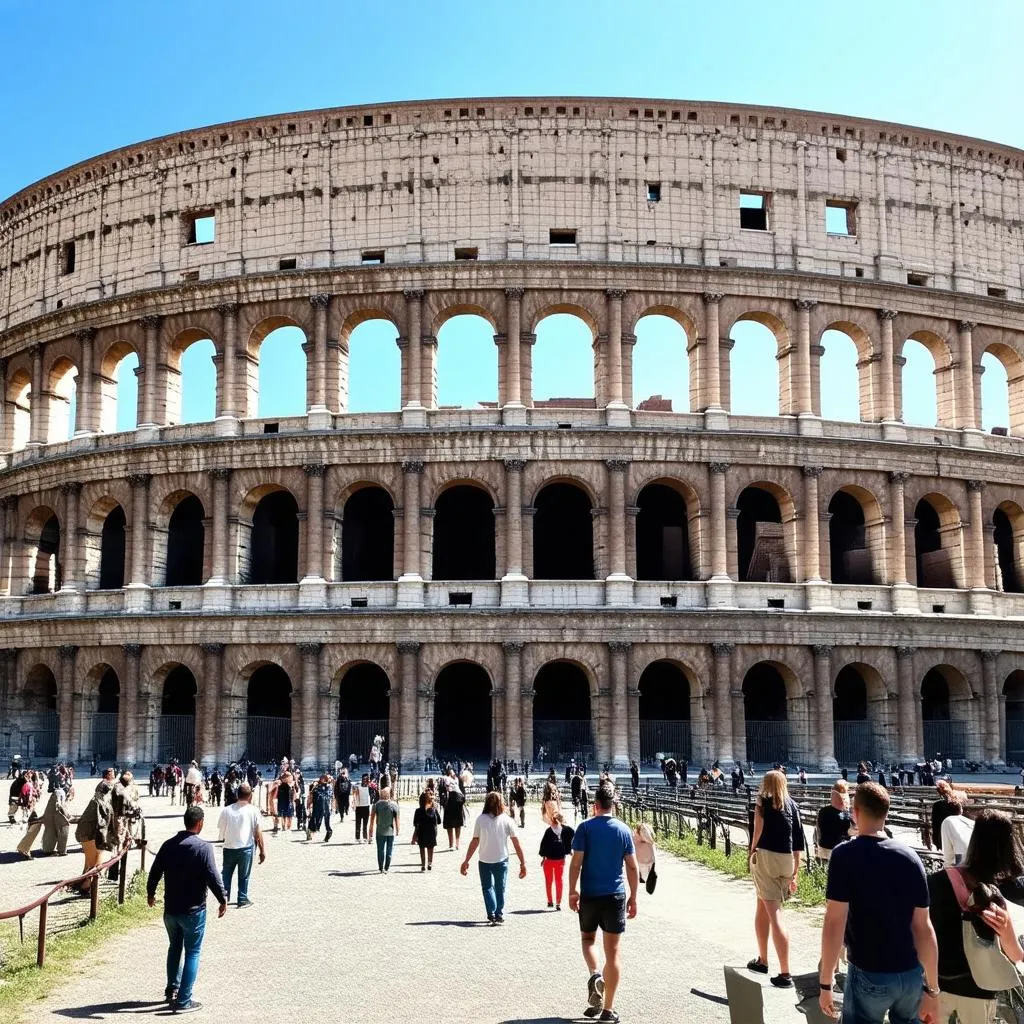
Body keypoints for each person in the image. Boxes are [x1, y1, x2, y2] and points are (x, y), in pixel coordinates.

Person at [819, 782, 940, 1024]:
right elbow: (924, 928)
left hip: (869, 971)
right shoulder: (910, 857)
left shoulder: (844, 856)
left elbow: (835, 922)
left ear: (855, 813)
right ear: (886, 813)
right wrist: (933, 989)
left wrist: (825, 982)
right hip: (909, 973)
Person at [928, 809, 1024, 1024]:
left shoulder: (938, 882)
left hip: (939, 982)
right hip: (982, 987)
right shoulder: (1014, 889)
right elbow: (1017, 955)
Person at [568, 780, 639, 1024]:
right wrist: (634, 897)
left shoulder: (584, 828)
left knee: (588, 939)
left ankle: (594, 974)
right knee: (614, 953)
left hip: (590, 894)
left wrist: (571, 891)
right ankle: (608, 1010)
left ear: (594, 804)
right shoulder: (623, 830)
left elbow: (576, 863)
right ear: (613, 804)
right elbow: (632, 866)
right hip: (615, 896)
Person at [147, 806, 228, 1012]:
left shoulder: (168, 845)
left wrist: (151, 893)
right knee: (192, 952)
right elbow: (212, 876)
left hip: (171, 909)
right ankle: (184, 1000)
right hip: (193, 911)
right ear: (200, 823)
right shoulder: (203, 848)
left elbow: (155, 871)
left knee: (174, 947)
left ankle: (172, 988)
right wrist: (222, 899)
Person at [746, 769, 804, 988]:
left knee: (775, 913)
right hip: (787, 860)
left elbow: (757, 831)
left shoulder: (762, 801)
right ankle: (762, 960)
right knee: (762, 905)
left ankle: (785, 973)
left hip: (767, 857)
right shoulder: (793, 805)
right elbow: (799, 841)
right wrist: (795, 872)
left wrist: (752, 852)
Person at [460, 790, 527, 924]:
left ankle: (491, 912)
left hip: (484, 859)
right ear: (501, 803)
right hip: (501, 859)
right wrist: (522, 862)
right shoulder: (507, 820)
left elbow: (475, 841)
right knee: (500, 887)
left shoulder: (481, 819)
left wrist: (466, 860)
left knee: (487, 887)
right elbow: (516, 843)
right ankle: (498, 912)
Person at [217, 782, 265, 908]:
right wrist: (262, 850)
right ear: (250, 796)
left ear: (237, 795)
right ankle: (242, 898)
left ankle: (224, 898)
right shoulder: (253, 810)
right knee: (244, 875)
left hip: (229, 847)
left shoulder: (227, 810)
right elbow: (258, 832)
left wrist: (224, 839)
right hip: (246, 848)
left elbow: (221, 829)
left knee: (226, 874)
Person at [72, 779, 118, 893]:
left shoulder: (96, 801)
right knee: (96, 865)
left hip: (91, 836)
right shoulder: (99, 803)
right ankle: (86, 887)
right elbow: (100, 822)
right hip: (92, 837)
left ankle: (85, 886)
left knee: (94, 864)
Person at [17, 785, 71, 858]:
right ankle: (23, 849)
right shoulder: (60, 793)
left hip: (40, 812)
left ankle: (46, 849)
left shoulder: (55, 793)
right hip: (36, 811)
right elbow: (59, 804)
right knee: (35, 829)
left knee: (48, 831)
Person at [539, 810, 576, 910]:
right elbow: (574, 836)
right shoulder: (567, 830)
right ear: (562, 820)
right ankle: (558, 903)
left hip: (548, 860)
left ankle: (550, 901)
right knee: (559, 881)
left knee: (548, 881)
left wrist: (543, 857)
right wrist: (569, 849)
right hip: (560, 860)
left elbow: (543, 846)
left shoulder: (548, 831)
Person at [815, 779, 852, 863]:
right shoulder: (845, 816)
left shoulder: (823, 811)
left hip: (823, 849)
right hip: (840, 852)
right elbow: (851, 832)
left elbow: (818, 831)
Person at [368, 786, 400, 873]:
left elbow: (372, 820)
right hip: (390, 831)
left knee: (380, 850)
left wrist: (370, 831)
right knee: (389, 850)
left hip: (380, 830)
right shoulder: (394, 805)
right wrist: (397, 829)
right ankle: (386, 867)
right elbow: (397, 819)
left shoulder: (376, 805)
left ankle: (381, 867)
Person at [929, 779, 965, 851]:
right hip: (956, 835)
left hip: (942, 835)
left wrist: (935, 839)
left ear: (939, 793)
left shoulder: (937, 805)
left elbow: (935, 824)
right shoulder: (957, 803)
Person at [413, 790, 442, 871]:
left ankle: (423, 865)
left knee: (422, 849)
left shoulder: (418, 811)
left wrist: (414, 836)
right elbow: (439, 821)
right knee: (430, 848)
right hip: (432, 832)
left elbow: (415, 823)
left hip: (421, 832)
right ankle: (429, 863)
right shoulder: (434, 810)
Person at [307, 772, 334, 842]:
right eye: (323, 778)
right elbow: (311, 795)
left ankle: (328, 833)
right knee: (314, 820)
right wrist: (309, 805)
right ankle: (310, 832)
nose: (324, 780)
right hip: (317, 806)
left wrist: (333, 807)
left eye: (326, 778)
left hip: (326, 807)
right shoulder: (315, 786)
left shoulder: (329, 787)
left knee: (327, 823)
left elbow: (331, 796)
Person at [443, 772, 466, 850]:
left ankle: (457, 843)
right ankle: (451, 844)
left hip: (457, 804)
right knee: (449, 825)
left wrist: (462, 801)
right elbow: (442, 793)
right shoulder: (444, 780)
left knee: (458, 824)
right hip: (449, 805)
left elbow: (463, 793)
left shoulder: (459, 781)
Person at [632, 822, 655, 887]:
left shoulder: (635, 834)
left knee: (641, 866)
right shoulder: (648, 833)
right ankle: (644, 876)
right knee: (648, 866)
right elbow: (651, 840)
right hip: (647, 857)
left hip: (640, 858)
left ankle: (641, 876)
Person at [352, 773, 372, 843]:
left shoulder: (370, 787)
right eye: (364, 779)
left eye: (366, 779)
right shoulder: (358, 786)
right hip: (359, 807)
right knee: (358, 823)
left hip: (366, 806)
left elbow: (373, 797)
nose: (365, 781)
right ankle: (357, 838)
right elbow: (353, 788)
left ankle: (365, 837)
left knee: (365, 824)